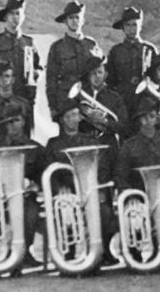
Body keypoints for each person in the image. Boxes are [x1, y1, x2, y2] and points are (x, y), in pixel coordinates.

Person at [0, 103, 46, 277]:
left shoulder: (35, 148)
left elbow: (43, 174)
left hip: (26, 196)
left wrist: (36, 185)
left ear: (23, 122)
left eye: (16, 120)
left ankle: (21, 256)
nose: (12, 125)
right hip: (0, 196)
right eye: (9, 122)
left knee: (30, 214)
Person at [45, 99, 118, 266]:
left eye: (77, 115)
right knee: (65, 210)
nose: (75, 119)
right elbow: (49, 172)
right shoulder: (53, 144)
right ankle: (69, 253)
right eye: (70, 116)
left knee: (105, 212)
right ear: (63, 120)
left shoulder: (90, 141)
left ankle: (103, 250)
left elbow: (103, 168)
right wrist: (60, 191)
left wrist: (99, 189)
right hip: (67, 193)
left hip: (91, 191)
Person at [115, 97, 160, 264]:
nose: (148, 121)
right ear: (139, 120)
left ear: (157, 118)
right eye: (144, 117)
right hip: (140, 197)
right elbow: (120, 174)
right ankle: (134, 254)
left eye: (152, 116)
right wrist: (130, 196)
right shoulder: (129, 145)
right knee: (133, 214)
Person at [46, 0, 104, 120]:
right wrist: (53, 107)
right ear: (65, 21)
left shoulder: (91, 44)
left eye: (78, 17)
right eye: (71, 18)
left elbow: (100, 73)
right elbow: (51, 79)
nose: (74, 21)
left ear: (82, 20)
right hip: (66, 100)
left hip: (88, 100)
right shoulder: (57, 47)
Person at [0, 0, 42, 106]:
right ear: (6, 17)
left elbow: (38, 67)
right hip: (2, 100)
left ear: (23, 16)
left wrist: (35, 75)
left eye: (19, 13)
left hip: (25, 99)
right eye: (12, 14)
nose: (16, 17)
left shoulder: (29, 43)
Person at [105, 7, 158, 114]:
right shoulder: (116, 51)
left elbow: (157, 78)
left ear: (140, 26)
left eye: (134, 25)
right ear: (123, 28)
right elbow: (110, 80)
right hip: (122, 101)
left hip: (145, 101)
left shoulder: (149, 49)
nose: (131, 29)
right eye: (127, 25)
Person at [77, 56, 130, 143]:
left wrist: (103, 121)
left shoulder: (115, 98)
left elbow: (124, 127)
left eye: (100, 72)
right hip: (83, 140)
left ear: (105, 75)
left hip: (107, 143)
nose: (97, 76)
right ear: (88, 75)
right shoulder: (80, 95)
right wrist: (80, 113)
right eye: (93, 73)